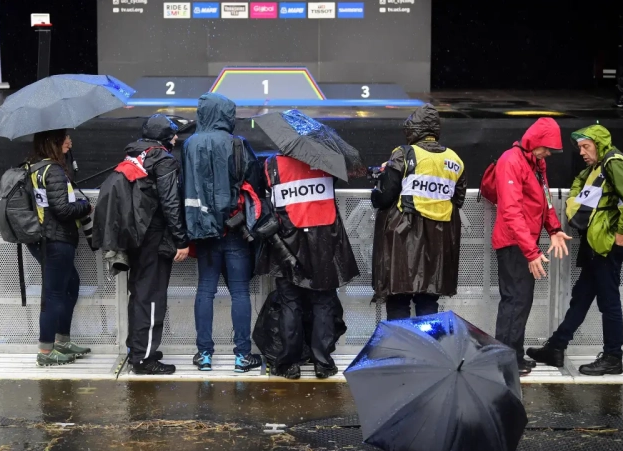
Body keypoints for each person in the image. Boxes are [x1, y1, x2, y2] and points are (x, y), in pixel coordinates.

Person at [93, 114, 190, 375]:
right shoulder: (164, 160)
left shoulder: (136, 155)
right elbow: (170, 204)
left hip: (134, 235)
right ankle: (145, 359)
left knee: (139, 294)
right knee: (152, 296)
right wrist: (181, 240)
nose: (176, 138)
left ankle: (137, 350)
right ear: (163, 137)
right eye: (173, 134)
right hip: (154, 237)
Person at [528, 125, 623, 376]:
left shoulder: (613, 162)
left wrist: (622, 234)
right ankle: (557, 346)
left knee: (608, 302)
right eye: (580, 147)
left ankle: (613, 356)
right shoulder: (596, 168)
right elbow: (582, 198)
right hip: (594, 243)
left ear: (599, 143)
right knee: (581, 297)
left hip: (606, 243)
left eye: (586, 146)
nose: (582, 152)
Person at [256, 146, 359, 379]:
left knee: (290, 304)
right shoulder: (328, 163)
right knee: (323, 303)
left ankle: (289, 364)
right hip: (324, 242)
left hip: (287, 243)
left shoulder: (272, 164)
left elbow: (267, 196)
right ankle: (322, 362)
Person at [182, 92, 263, 373]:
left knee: (205, 290)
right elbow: (255, 181)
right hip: (234, 229)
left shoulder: (190, 144)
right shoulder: (237, 143)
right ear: (227, 115)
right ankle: (242, 356)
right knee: (240, 292)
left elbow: (184, 185)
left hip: (203, 230)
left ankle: (204, 354)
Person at [489, 118, 571, 376]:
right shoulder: (511, 161)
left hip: (523, 242)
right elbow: (511, 211)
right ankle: (506, 360)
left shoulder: (536, 163)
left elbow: (545, 200)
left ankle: (513, 354)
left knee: (520, 301)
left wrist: (555, 229)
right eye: (546, 147)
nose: (548, 153)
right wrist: (531, 251)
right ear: (534, 141)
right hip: (514, 242)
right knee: (515, 300)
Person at [371, 104, 467, 320]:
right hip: (439, 242)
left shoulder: (403, 154)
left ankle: (402, 349)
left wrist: (376, 190)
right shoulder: (454, 159)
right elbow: (458, 200)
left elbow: (385, 196)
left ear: (413, 129)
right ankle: (427, 349)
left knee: (398, 299)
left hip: (402, 240)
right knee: (428, 300)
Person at [27, 129, 93, 367]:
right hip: (55, 240)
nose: (69, 141)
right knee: (54, 294)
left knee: (70, 284)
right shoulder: (52, 170)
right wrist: (85, 207)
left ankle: (62, 341)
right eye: (64, 137)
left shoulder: (35, 168)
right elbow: (63, 210)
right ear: (52, 141)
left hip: (45, 239)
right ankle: (46, 351)